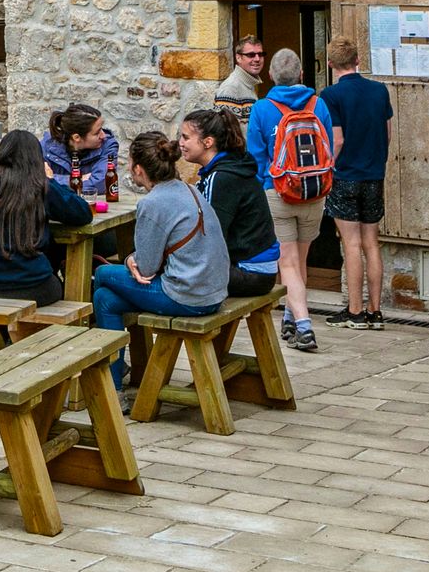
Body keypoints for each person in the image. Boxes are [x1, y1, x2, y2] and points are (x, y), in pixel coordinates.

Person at [90, 132, 229, 391]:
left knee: (103, 275)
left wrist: (131, 259)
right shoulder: (188, 188)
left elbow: (147, 268)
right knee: (105, 299)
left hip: (187, 295)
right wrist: (135, 262)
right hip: (214, 290)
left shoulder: (153, 203)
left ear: (139, 169)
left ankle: (111, 386)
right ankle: (117, 379)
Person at [246, 48, 335, 353]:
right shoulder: (319, 104)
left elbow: (256, 159)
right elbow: (329, 148)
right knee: (301, 259)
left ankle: (305, 326)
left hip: (278, 191)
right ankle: (290, 318)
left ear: (270, 76)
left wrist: (263, 189)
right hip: (314, 192)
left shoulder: (261, 109)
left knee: (288, 262)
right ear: (301, 75)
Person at [0, 130, 93, 306]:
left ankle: (9, 334)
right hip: (29, 284)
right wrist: (49, 180)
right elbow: (82, 213)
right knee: (59, 285)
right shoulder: (39, 185)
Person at [318, 36, 394, 330]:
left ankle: (354, 310)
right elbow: (387, 133)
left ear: (331, 65)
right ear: (358, 61)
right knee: (372, 243)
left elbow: (337, 139)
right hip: (374, 174)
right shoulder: (379, 91)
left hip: (345, 175)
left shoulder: (331, 95)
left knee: (350, 244)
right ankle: (376, 311)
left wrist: (327, 166)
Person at [179, 110, 280, 297]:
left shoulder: (221, 178)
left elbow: (208, 237)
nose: (181, 143)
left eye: (186, 137)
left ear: (208, 142)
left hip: (249, 273)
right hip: (259, 270)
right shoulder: (233, 166)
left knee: (173, 275)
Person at [41, 103, 120, 195]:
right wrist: (80, 179)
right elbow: (35, 182)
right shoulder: (47, 147)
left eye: (101, 128)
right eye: (97, 132)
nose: (103, 135)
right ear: (76, 138)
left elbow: (102, 183)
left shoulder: (108, 145)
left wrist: (53, 179)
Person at [215, 35, 265, 123]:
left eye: (260, 54)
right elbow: (224, 132)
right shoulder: (230, 88)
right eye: (251, 55)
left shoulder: (248, 83)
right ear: (238, 58)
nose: (257, 59)